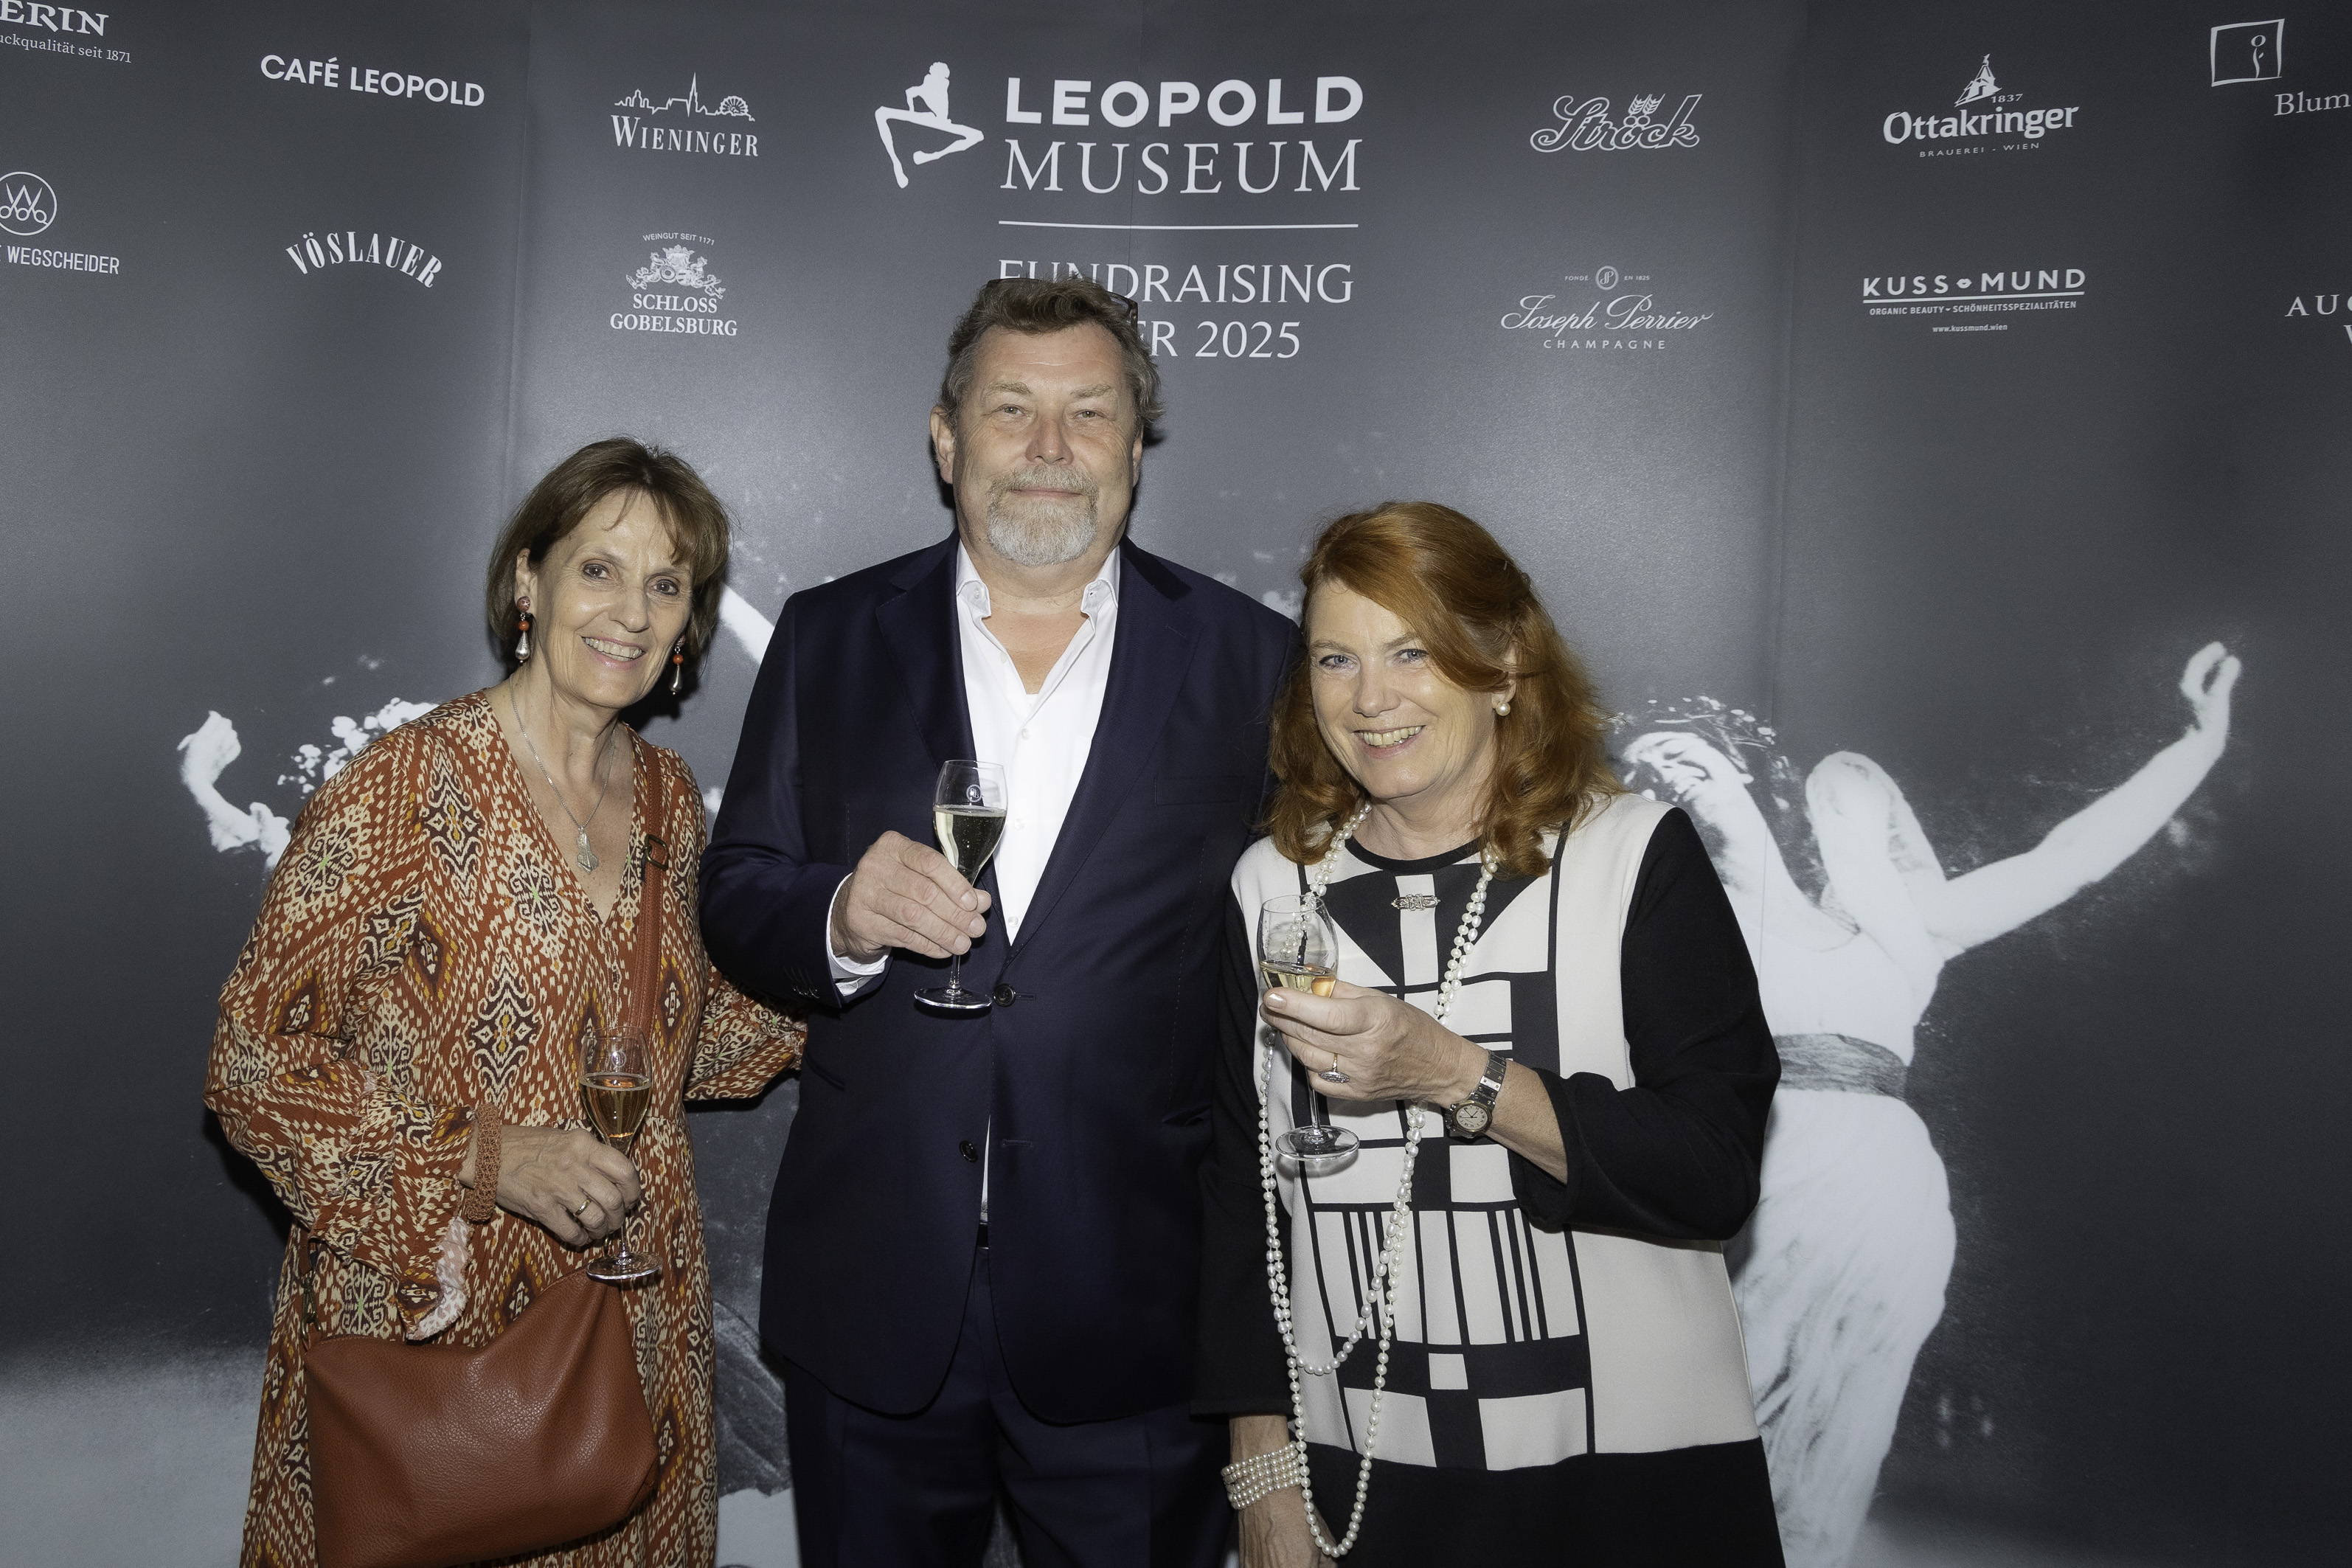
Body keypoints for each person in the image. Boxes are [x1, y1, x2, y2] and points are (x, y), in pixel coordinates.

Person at [700, 275, 1295, 1567]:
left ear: (1134, 448)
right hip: (873, 1295)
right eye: (1011, 408)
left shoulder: (1252, 659)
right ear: (945, 437)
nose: (1048, 446)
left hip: (1133, 1309)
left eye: (1090, 412)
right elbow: (737, 886)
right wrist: (840, 913)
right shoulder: (828, 636)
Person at [204, 437, 805, 1568]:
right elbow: (253, 1062)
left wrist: (851, 958)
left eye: (667, 584)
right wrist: (488, 1157)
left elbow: (694, 1041)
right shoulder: (401, 784)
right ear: (529, 580)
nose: (631, 612)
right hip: (433, 1331)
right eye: (599, 570)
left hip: (631, 1319)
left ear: (688, 624)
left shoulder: (672, 800)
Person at [1194, 502, 1785, 1566]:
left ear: (1505, 664)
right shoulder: (1271, 886)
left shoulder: (1631, 855)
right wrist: (1262, 1471)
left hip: (1622, 1483)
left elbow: (1712, 1170)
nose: (1371, 697)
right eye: (1335, 657)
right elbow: (1239, 1196)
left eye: (1412, 651)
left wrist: (1453, 1072)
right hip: (1359, 1484)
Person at [1620, 640, 2241, 1568]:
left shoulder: (1909, 931)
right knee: (1697, 1439)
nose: (1670, 772)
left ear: (1746, 777)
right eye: (1648, 773)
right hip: (1761, 1189)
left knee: (1829, 1450)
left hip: (1885, 1204)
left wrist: (2198, 745)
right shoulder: (1683, 924)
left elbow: (2072, 857)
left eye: (1685, 754)